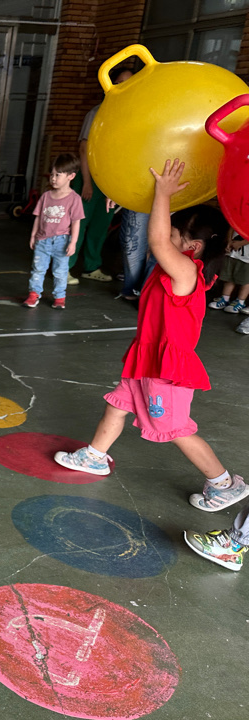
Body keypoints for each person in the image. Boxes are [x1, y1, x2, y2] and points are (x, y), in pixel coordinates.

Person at [55, 158, 247, 519]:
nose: (164, 240)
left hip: (167, 370)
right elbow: (159, 237)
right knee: (118, 405)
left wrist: (163, 193)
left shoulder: (186, 272)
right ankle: (95, 456)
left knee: (176, 429)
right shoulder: (173, 266)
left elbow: (156, 239)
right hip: (148, 357)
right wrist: (145, 197)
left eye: (174, 236)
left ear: (193, 247)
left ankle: (223, 483)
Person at [72, 67, 133, 283]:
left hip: (110, 181)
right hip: (89, 177)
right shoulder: (96, 112)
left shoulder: (130, 114)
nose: (123, 86)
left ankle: (91, 267)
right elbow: (84, 149)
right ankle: (65, 268)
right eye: (119, 82)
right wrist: (87, 182)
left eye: (128, 82)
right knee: (78, 225)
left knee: (100, 226)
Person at [22, 153, 83, 309]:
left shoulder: (74, 199)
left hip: (62, 241)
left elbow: (76, 222)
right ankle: (33, 294)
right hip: (43, 240)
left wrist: (73, 242)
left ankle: (60, 297)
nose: (53, 179)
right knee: (38, 269)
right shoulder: (46, 196)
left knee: (60, 271)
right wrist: (33, 236)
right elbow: (38, 217)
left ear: (71, 176)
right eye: (52, 175)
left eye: (58, 175)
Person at [206, 230, 249, 315]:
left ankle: (240, 301)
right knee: (229, 276)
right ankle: (225, 298)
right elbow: (232, 227)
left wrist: (241, 243)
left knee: (246, 280)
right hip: (233, 252)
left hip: (247, 256)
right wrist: (229, 241)